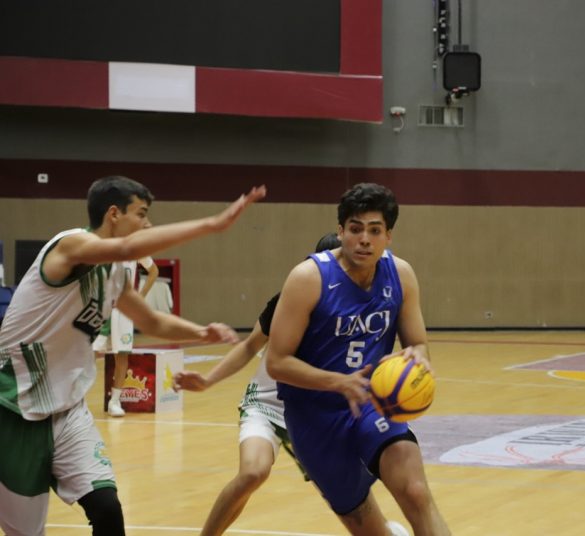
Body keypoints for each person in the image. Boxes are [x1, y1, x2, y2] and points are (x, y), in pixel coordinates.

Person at [0, 176, 266, 536]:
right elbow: (126, 247)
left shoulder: (117, 270)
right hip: (14, 407)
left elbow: (151, 321)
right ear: (114, 214)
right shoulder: (69, 244)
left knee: (107, 508)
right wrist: (212, 224)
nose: (147, 224)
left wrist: (201, 332)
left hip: (67, 410)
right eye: (141, 214)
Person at [173, 233, 409, 536]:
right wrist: (208, 380)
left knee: (353, 496)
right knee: (253, 472)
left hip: (317, 415)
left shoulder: (364, 308)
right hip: (268, 404)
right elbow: (249, 346)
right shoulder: (291, 299)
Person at [266, 183, 451, 536]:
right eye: (355, 229)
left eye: (375, 230)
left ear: (388, 236)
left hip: (374, 403)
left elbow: (418, 344)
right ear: (340, 231)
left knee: (415, 492)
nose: (364, 239)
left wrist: (419, 358)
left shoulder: (401, 275)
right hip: (314, 417)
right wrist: (338, 382)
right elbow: (277, 362)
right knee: (366, 526)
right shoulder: (308, 279)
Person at [93, 255, 159, 417]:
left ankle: (115, 401)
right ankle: (76, 402)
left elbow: (154, 271)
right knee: (90, 353)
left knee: (122, 354)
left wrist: (140, 297)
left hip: (125, 309)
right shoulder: (104, 247)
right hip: (102, 307)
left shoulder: (137, 250)